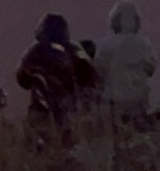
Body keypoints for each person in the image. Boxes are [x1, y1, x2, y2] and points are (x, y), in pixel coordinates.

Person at [15, 13, 98, 142]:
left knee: (38, 139)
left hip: (51, 107)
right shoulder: (72, 49)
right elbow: (89, 74)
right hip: (63, 106)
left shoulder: (36, 50)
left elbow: (22, 77)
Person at [95, 0, 157, 118]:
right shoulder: (143, 43)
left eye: (132, 19)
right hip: (130, 98)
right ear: (118, 21)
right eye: (126, 19)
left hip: (121, 99)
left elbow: (98, 70)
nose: (129, 22)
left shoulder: (107, 44)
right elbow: (151, 68)